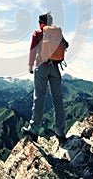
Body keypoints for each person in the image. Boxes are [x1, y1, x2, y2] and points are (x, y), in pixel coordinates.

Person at [21, 12, 68, 143]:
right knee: (58, 99)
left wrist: (30, 66)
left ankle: (34, 130)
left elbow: (33, 51)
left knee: (39, 97)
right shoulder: (57, 33)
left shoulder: (37, 33)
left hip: (41, 67)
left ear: (40, 22)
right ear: (51, 23)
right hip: (55, 68)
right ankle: (60, 132)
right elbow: (65, 46)